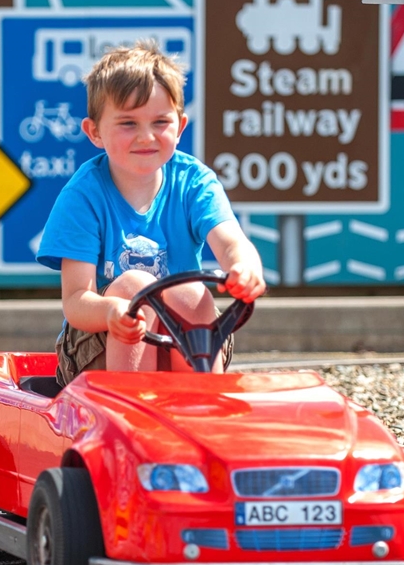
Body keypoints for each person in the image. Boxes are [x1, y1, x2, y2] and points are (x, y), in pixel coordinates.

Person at [37, 40, 265, 386]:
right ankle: (126, 412)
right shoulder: (83, 195)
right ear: (94, 131)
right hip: (95, 345)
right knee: (133, 285)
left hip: (187, 340)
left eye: (160, 121)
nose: (146, 137)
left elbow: (231, 240)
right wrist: (111, 311)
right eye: (128, 123)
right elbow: (75, 301)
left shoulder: (193, 182)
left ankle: (203, 405)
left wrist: (244, 267)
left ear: (180, 125)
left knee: (192, 292)